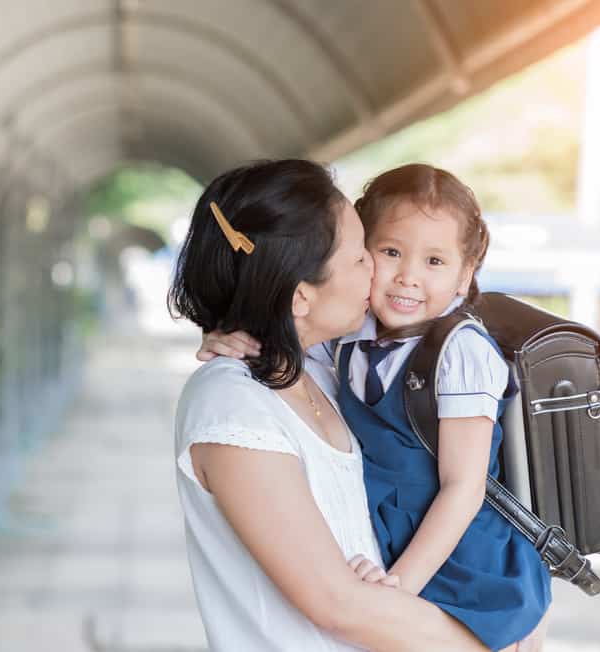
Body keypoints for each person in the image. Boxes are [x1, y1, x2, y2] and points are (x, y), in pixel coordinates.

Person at [199, 164, 552, 651]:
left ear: (465, 275)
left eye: (434, 262)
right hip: (396, 552)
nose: (407, 277)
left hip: (460, 561)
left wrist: (399, 585)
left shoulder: (461, 352)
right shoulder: (350, 337)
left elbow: (463, 487)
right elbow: (284, 332)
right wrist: (225, 336)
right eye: (387, 253)